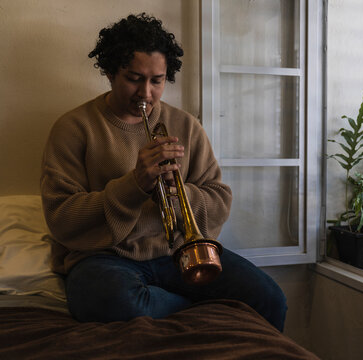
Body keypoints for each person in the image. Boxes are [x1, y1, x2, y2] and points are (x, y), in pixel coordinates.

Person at [40, 13, 287, 331]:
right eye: (133, 78)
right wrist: (134, 184)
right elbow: (61, 217)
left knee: (269, 298)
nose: (145, 93)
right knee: (111, 300)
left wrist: (177, 190)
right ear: (110, 72)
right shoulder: (73, 128)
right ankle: (199, 313)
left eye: (156, 80)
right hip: (104, 256)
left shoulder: (186, 125)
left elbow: (219, 199)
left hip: (177, 251)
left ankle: (172, 307)